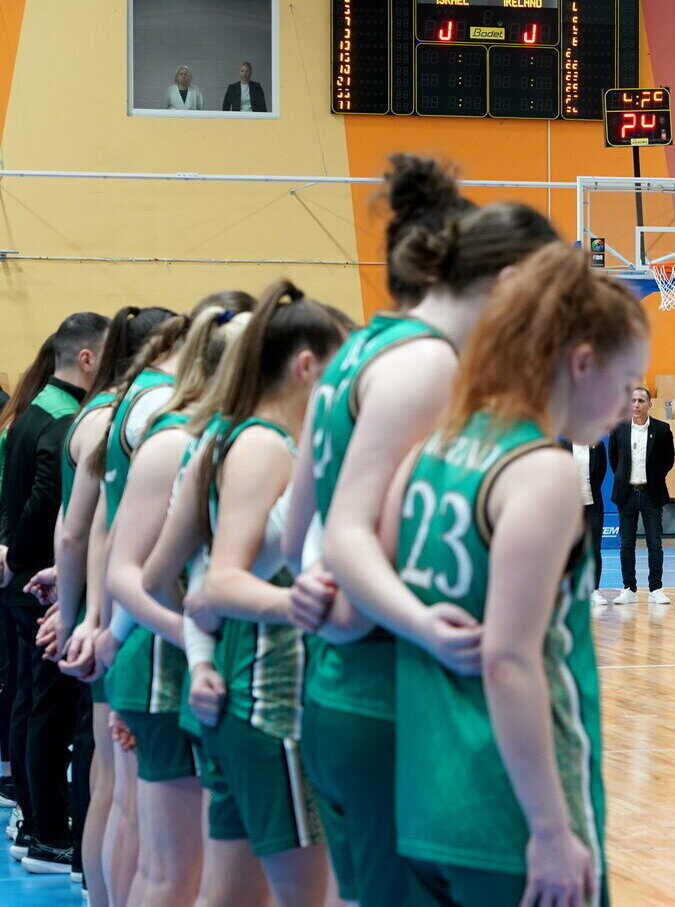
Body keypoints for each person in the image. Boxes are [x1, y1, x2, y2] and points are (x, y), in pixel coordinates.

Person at [287, 156, 559, 907]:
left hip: (342, 687)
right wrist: (420, 623)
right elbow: (348, 529)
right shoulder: (429, 366)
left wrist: (323, 586)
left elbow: (295, 531)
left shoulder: (359, 353)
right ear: (508, 287)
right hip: (389, 686)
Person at [370, 243, 644, 905]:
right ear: (582, 362)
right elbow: (509, 660)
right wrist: (551, 828)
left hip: (426, 792)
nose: (626, 403)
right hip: (510, 806)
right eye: (627, 380)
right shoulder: (540, 471)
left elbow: (367, 583)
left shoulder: (435, 444)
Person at [187, 282, 348, 905]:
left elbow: (200, 582)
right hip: (272, 701)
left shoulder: (248, 439)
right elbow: (220, 580)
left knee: (226, 896)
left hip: (243, 694)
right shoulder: (262, 446)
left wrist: (200, 655)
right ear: (308, 366)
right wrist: (301, 606)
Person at [103, 303, 255, 906]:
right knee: (170, 868)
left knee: (183, 867)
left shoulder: (230, 438)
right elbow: (126, 572)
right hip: (166, 664)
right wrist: (196, 647)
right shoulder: (176, 440)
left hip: (182, 659)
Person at [49, 305, 175, 903]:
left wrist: (80, 613)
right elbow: (90, 530)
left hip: (112, 615)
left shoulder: (102, 410)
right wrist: (88, 617)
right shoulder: (151, 410)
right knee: (132, 804)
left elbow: (83, 528)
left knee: (112, 788)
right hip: (136, 622)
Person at [0, 312, 109, 874]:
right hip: (44, 581)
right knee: (49, 705)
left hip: (28, 578)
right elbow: (47, 503)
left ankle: (33, 820)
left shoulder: (33, 410)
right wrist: (26, 560)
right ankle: (46, 829)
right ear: (87, 359)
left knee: (31, 700)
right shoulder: (64, 420)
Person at [608, 387, 674, 605]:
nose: (636, 405)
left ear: (649, 404)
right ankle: (629, 588)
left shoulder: (662, 430)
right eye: (633, 401)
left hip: (651, 494)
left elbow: (668, 460)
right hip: (626, 494)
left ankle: (656, 588)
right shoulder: (618, 429)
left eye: (641, 401)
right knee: (626, 544)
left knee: (655, 543)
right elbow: (614, 459)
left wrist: (654, 478)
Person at [570, 441, 608, 606]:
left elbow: (601, 471)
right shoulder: (563, 446)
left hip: (593, 505)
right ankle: (572, 592)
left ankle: (594, 590)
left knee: (594, 549)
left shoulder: (597, 445)